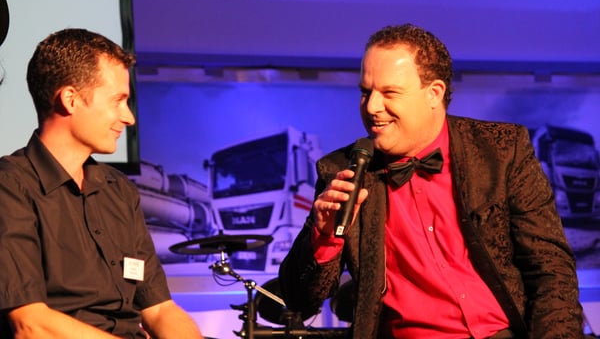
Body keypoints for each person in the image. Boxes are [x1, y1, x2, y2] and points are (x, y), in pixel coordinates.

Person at [278, 24, 584, 338]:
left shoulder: (502, 149)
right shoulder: (343, 170)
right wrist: (324, 237)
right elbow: (299, 299)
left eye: (389, 93)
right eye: (365, 92)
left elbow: (551, 270)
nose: (371, 107)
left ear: (434, 93)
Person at [0, 28, 204, 339]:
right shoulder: (10, 186)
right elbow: (31, 324)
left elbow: (161, 309)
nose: (129, 117)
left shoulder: (119, 190)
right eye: (118, 101)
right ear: (70, 100)